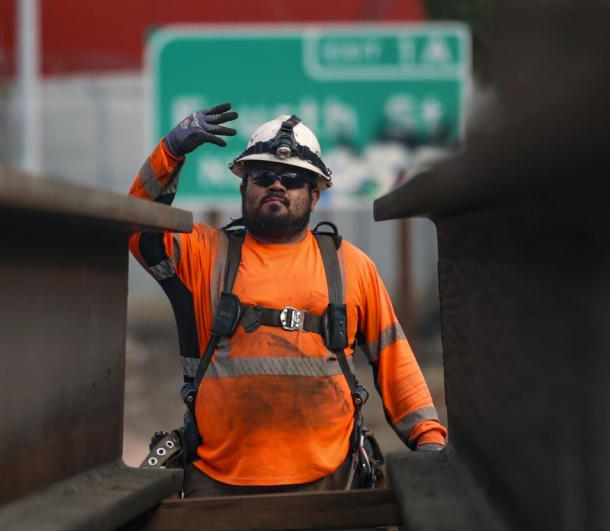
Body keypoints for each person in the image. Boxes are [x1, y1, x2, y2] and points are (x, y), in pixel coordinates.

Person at [129, 103, 446, 497]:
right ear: (244, 186)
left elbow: (394, 357)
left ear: (315, 196)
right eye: (264, 176)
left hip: (329, 483)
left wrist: (428, 440)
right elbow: (139, 228)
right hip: (217, 483)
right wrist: (169, 153)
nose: (277, 185)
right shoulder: (205, 255)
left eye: (293, 178)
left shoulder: (350, 267)